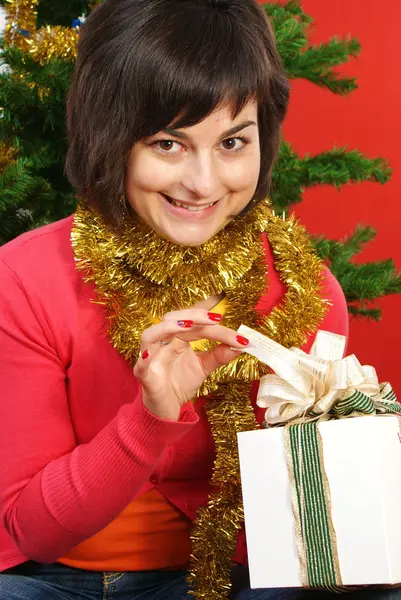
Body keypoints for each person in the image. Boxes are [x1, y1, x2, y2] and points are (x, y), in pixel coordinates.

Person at [0, 0, 396, 599]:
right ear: (109, 137)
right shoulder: (26, 278)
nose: (204, 183)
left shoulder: (302, 290)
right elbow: (32, 532)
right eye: (167, 144)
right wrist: (151, 418)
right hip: (53, 578)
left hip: (236, 577)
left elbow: (318, 516)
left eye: (233, 142)